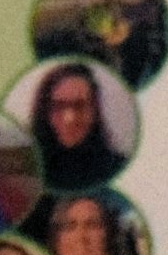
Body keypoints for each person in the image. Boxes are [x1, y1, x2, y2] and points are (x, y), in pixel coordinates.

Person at [25, 62, 131, 192]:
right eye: (58, 106)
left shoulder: (120, 169)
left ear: (95, 110)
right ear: (44, 112)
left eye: (80, 106)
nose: (69, 118)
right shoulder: (28, 173)